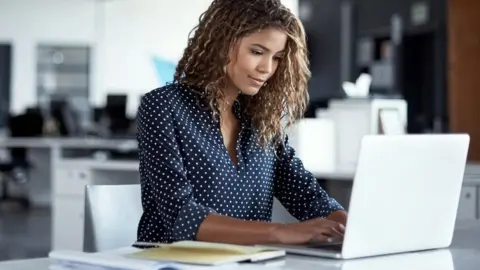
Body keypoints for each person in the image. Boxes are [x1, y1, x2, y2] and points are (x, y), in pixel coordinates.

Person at [136, 0, 348, 246]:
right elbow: (181, 217)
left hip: (247, 263)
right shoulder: (163, 106)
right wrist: (279, 232)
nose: (267, 69)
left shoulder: (262, 121)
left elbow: (306, 196)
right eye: (257, 52)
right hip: (171, 262)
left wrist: (347, 226)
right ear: (221, 44)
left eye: (277, 58)